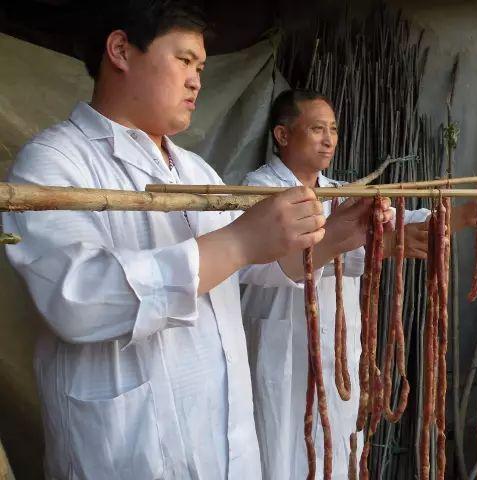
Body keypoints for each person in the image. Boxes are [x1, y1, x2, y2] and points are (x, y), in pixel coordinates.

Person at [2, 4, 391, 479]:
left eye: (201, 68)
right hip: (129, 452)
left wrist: (332, 238)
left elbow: (255, 267)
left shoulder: (193, 171)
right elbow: (77, 299)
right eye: (184, 60)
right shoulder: (52, 163)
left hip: (227, 444)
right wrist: (236, 243)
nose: (196, 81)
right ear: (121, 50)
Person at [241, 89, 476, 479]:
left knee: (337, 446)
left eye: (333, 129)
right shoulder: (258, 191)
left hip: (338, 356)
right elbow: (294, 256)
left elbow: (392, 227)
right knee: (282, 449)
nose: (329, 139)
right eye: (317, 129)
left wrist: (457, 217)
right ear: (282, 135)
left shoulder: (341, 194)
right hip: (282, 348)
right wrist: (382, 245)